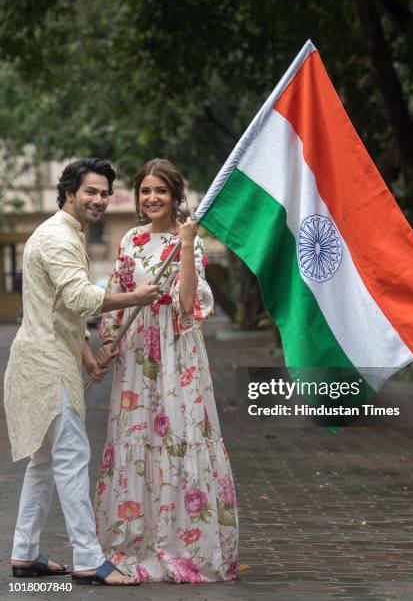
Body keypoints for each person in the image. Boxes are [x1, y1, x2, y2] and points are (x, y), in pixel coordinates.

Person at [4, 158, 160, 586]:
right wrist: (134, 297)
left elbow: (60, 311)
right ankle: (90, 560)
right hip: (45, 366)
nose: (99, 199)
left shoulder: (67, 233)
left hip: (44, 359)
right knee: (70, 458)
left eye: (105, 193)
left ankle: (23, 554)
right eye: (90, 191)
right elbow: (77, 297)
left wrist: (87, 353)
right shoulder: (57, 237)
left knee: (43, 462)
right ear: (69, 192)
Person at [94, 158, 238, 583]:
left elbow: (190, 303)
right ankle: (135, 542)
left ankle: (186, 546)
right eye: (145, 191)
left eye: (160, 191)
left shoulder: (186, 239)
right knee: (137, 439)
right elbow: (117, 294)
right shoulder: (131, 240)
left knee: (179, 435)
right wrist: (106, 347)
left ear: (176, 196)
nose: (152, 198)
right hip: (138, 353)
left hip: (177, 353)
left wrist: (191, 243)